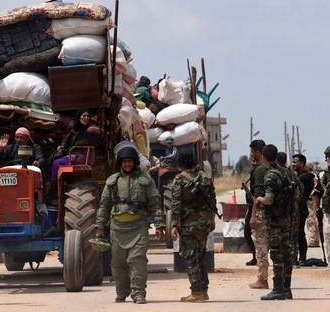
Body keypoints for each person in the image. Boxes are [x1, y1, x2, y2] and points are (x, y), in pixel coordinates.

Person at [95, 146, 164, 304]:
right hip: (117, 229)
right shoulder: (112, 182)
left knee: (137, 261)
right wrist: (99, 227)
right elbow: (104, 205)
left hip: (139, 227)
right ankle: (121, 292)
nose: (127, 164)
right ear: (120, 163)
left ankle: (139, 293)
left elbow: (155, 203)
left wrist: (159, 225)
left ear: (135, 162)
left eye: (130, 161)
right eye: (125, 161)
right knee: (118, 264)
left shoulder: (145, 180)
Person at [169, 147, 216, 303]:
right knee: (201, 256)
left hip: (188, 225)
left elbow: (176, 204)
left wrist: (174, 225)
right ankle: (204, 290)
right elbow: (212, 201)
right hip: (204, 223)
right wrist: (212, 220)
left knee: (190, 258)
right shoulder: (206, 177)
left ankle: (196, 292)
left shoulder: (179, 180)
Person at [256, 144, 293, 300]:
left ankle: (278, 289)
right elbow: (296, 192)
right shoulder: (286, 172)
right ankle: (286, 288)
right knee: (287, 254)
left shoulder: (270, 175)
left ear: (263, 157)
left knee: (277, 254)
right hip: (286, 218)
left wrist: (259, 199)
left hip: (275, 221)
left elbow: (269, 200)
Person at [49, 108, 105, 199]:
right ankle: (54, 186)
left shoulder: (90, 129)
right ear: (79, 116)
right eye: (84, 116)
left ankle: (54, 189)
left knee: (56, 163)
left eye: (88, 116)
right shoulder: (73, 127)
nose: (86, 118)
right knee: (52, 161)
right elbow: (66, 139)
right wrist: (62, 146)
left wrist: (98, 130)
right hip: (72, 154)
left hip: (83, 156)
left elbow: (101, 138)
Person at [248, 139, 270, 289]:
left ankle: (262, 280)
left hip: (262, 213)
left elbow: (257, 196)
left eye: (252, 152)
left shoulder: (260, 170)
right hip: (277, 216)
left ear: (257, 152)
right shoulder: (277, 168)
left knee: (261, 248)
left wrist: (252, 216)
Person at [276, 152, 302, 267]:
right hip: (293, 208)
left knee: (282, 234)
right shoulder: (291, 173)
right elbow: (301, 187)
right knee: (293, 235)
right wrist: (296, 200)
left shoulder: (277, 173)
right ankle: (293, 259)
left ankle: (285, 259)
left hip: (283, 209)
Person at [292, 154, 314, 263]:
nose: (293, 164)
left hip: (300, 209)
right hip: (297, 208)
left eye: (295, 162)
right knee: (297, 233)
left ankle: (302, 256)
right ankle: (299, 256)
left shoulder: (304, 177)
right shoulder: (298, 176)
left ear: (302, 163)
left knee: (299, 232)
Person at [312, 146, 330, 265]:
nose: (328, 160)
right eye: (327, 158)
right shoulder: (323, 176)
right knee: (328, 238)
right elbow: (316, 195)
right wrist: (315, 214)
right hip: (328, 214)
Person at [243, 157, 258, 266]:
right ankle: (255, 256)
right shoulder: (253, 173)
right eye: (252, 161)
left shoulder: (261, 173)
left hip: (259, 208)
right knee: (247, 232)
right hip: (252, 207)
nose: (253, 163)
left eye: (255, 161)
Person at [304, 160, 319, 247]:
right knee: (315, 219)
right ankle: (316, 241)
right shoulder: (315, 177)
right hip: (315, 200)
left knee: (310, 221)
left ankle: (312, 241)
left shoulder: (308, 177)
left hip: (310, 200)